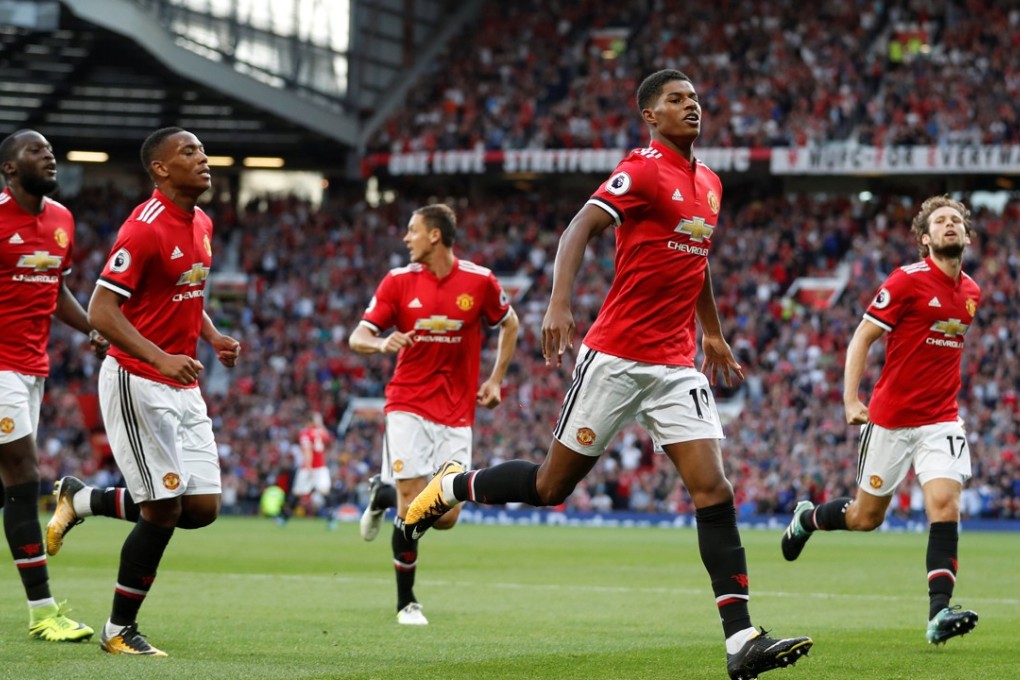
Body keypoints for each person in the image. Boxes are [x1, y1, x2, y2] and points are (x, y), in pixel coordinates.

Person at [402, 70, 813, 680]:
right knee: (550, 488)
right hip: (617, 356)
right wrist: (560, 302)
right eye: (676, 100)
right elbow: (579, 227)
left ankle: (740, 639)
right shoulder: (642, 169)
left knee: (715, 491)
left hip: (674, 364)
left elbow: (695, 262)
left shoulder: (710, 184)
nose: (690, 106)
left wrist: (713, 332)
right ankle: (454, 486)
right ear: (650, 115)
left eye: (695, 98)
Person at [781, 194, 981, 645]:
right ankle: (808, 518)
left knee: (945, 506)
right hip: (890, 421)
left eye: (956, 220)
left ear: (966, 234)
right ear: (924, 238)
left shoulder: (972, 292)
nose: (949, 225)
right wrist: (850, 399)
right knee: (865, 517)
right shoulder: (906, 281)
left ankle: (938, 613)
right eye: (940, 221)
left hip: (942, 421)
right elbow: (863, 336)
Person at [83, 126, 241, 656]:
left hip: (181, 378)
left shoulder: (201, 221)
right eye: (190, 152)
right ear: (160, 168)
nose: (204, 159)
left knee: (201, 507)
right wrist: (159, 357)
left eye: (202, 150)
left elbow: (186, 290)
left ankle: (82, 499)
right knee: (164, 510)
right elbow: (101, 312)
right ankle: (117, 630)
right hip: (138, 378)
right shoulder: (142, 229)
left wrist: (212, 334)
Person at [349, 202, 519, 625]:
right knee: (413, 504)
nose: (406, 238)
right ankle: (406, 601)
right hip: (407, 403)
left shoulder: (479, 282)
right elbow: (358, 336)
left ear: (435, 235)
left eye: (412, 230)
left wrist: (496, 379)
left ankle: (381, 493)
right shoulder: (397, 282)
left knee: (445, 516)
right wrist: (380, 344)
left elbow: (510, 324)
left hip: (457, 412)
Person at [0, 128, 108, 642]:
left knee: (14, 477)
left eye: (50, 151)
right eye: (34, 151)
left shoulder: (61, 220)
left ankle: (41, 610)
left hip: (32, 368)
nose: (49, 157)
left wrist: (91, 324)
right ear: (8, 168)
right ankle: (43, 613)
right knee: (23, 475)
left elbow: (55, 285)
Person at [278, 411, 335, 525]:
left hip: (309, 468)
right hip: (321, 467)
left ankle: (284, 518)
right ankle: (331, 519)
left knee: (298, 493)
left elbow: (307, 450)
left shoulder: (305, 433)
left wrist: (308, 466)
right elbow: (329, 443)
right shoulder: (322, 432)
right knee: (325, 492)